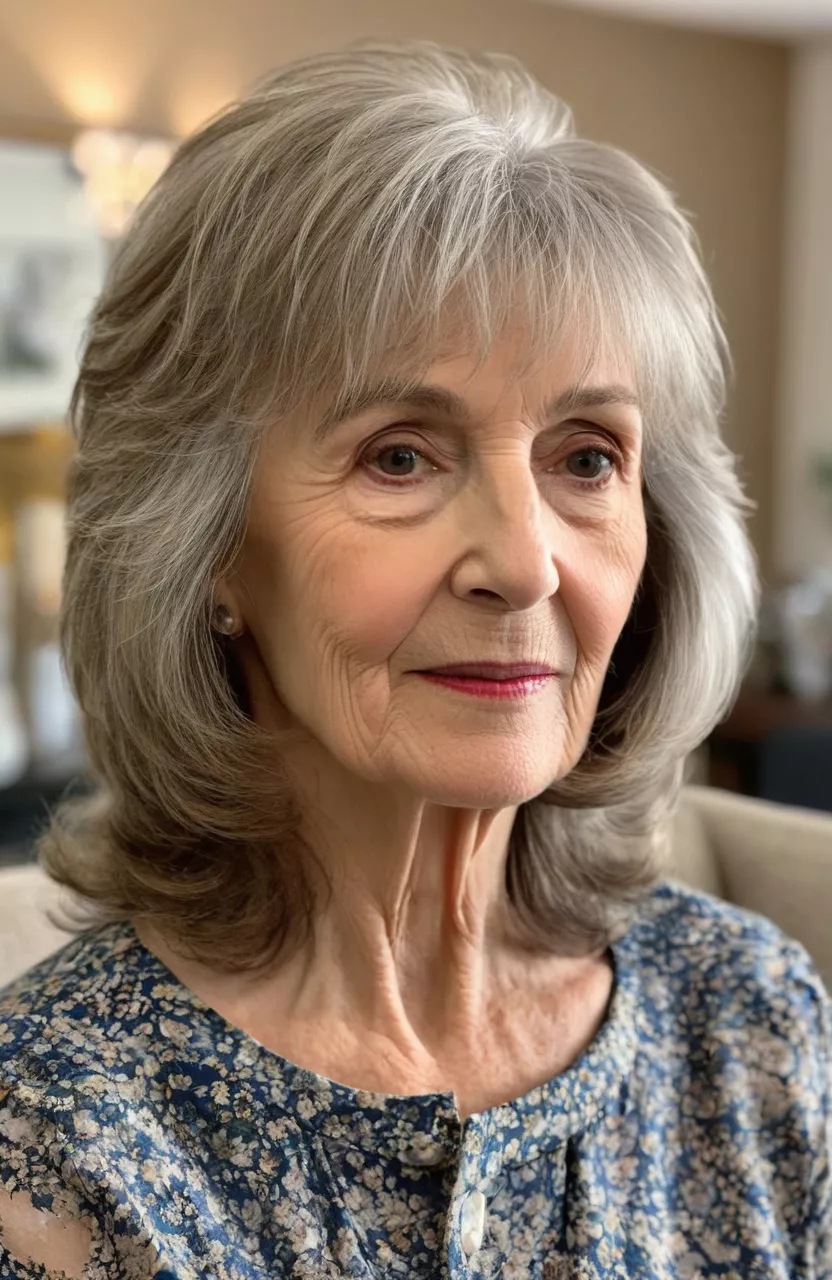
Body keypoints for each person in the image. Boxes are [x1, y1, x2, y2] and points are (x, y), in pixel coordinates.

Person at [0, 38, 828, 1280]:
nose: (526, 562)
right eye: (400, 456)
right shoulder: (49, 1139)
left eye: (586, 457)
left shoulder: (751, 1016)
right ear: (207, 544)